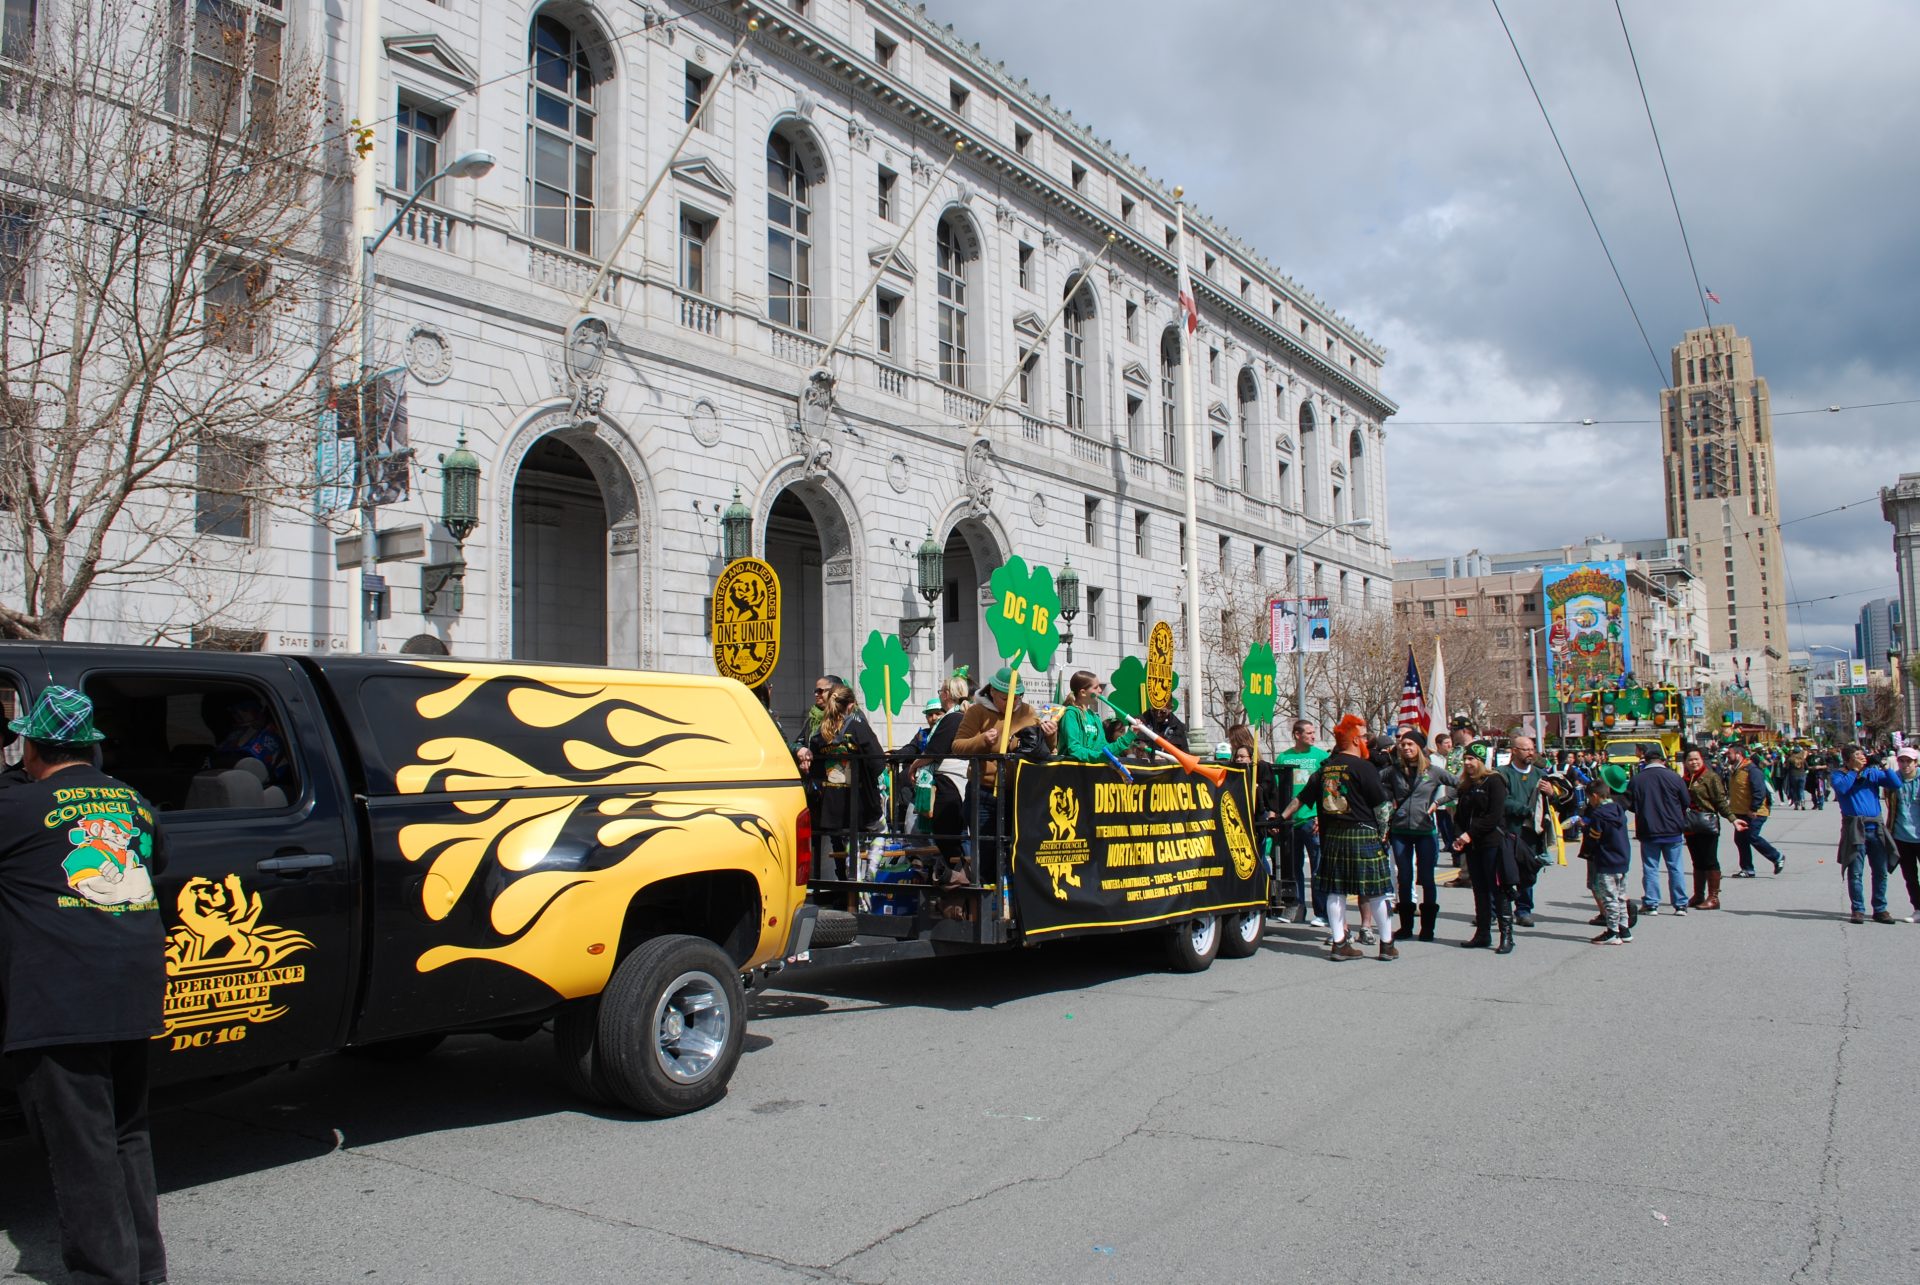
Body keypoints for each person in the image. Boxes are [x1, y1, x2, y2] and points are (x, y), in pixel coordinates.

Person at [0, 686, 169, 1285]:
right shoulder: (135, 803)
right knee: (126, 1133)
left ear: (31, 747)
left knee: (81, 1148)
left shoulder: (17, 808)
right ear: (89, 747)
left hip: (62, 997)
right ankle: (145, 1269)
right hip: (134, 988)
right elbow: (158, 861)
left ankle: (105, 1275)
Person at [1282, 715, 1395, 961]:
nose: (1366, 740)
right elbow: (1382, 806)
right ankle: (1386, 944)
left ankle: (1339, 943)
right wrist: (1384, 834)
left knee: (1336, 891)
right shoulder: (1364, 767)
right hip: (1363, 832)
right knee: (1376, 890)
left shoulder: (1326, 768)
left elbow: (1300, 798)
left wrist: (1281, 818)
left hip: (1332, 835)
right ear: (1355, 740)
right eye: (1364, 736)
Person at [951, 667, 1058, 887]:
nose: (1012, 703)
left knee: (1019, 851)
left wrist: (1050, 735)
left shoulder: (1028, 712)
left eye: (1017, 698)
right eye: (1005, 698)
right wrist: (982, 740)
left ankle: (1013, 906)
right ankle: (988, 907)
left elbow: (1043, 749)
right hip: (984, 792)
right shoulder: (976, 712)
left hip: (1020, 793)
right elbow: (957, 747)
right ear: (992, 692)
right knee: (986, 853)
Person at [1383, 728, 1455, 942]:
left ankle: (1427, 929)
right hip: (1400, 831)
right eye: (1403, 745)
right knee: (1404, 878)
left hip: (1425, 831)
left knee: (1426, 878)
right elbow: (1373, 784)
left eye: (1410, 744)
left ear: (1419, 748)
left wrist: (1439, 802)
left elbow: (1461, 785)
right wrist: (1388, 799)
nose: (1405, 748)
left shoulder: (1433, 771)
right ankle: (1406, 927)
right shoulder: (1393, 770)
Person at [806, 684, 884, 881]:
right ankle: (870, 876)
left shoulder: (819, 735)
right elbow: (878, 762)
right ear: (850, 706)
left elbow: (816, 771)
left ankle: (854, 888)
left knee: (851, 845)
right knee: (882, 829)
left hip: (833, 805)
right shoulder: (858, 728)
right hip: (860, 801)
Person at [1450, 746, 1515, 953]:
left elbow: (1493, 816)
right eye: (1466, 759)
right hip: (1473, 846)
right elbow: (1460, 815)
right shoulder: (1466, 786)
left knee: (1498, 889)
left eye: (1472, 759)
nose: (1468, 763)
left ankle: (1507, 936)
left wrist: (1469, 834)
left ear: (1482, 761)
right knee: (1479, 890)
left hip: (1491, 843)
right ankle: (1482, 933)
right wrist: (1460, 836)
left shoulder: (1494, 781)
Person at [1830, 744, 1899, 924]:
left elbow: (1895, 783)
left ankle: (1880, 908)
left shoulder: (1871, 773)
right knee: (1856, 872)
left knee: (1880, 871)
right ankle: (1858, 909)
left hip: (1875, 827)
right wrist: (1853, 771)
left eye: (1862, 754)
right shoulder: (1839, 775)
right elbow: (1842, 789)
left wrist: (1883, 765)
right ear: (1847, 759)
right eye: (1857, 755)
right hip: (1854, 827)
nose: (1862, 758)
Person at [1276, 718, 1330, 927]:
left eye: (1314, 732)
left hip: (1312, 818)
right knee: (1293, 867)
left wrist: (1321, 815)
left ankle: (1322, 912)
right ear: (1297, 735)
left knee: (1317, 868)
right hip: (1291, 822)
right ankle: (1296, 908)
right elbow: (1278, 789)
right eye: (1309, 733)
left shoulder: (1321, 757)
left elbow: (1328, 789)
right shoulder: (1283, 757)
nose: (1313, 736)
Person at [1626, 744, 1691, 915]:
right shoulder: (1674, 777)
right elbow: (1686, 801)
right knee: (1675, 866)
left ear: (1645, 761)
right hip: (1673, 828)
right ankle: (1680, 904)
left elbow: (1631, 804)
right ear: (1662, 761)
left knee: (1650, 867)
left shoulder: (1637, 779)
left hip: (1648, 828)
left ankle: (1652, 903)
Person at [1575, 770, 1634, 944]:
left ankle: (1612, 931)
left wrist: (1584, 827)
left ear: (1595, 796)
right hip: (1622, 858)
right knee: (1621, 896)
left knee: (1609, 897)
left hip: (1607, 860)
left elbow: (1594, 836)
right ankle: (1624, 928)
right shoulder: (1617, 809)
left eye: (1590, 798)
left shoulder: (1598, 815)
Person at [1497, 735, 1546, 927]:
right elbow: (1503, 800)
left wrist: (1552, 793)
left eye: (1532, 749)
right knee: (1504, 872)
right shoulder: (1502, 774)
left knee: (1527, 872)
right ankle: (1498, 909)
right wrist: (1526, 810)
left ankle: (1524, 909)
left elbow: (1553, 802)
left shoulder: (1540, 774)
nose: (1530, 753)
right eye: (1526, 749)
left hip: (1530, 834)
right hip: (1508, 831)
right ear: (1514, 751)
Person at [1682, 746, 1735, 910]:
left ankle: (1714, 897)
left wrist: (1732, 819)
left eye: (1696, 759)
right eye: (1690, 760)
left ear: (1702, 760)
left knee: (1710, 860)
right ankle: (1698, 895)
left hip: (1707, 823)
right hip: (1690, 825)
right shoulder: (1684, 778)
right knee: (1697, 861)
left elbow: (1719, 801)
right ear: (1685, 762)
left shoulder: (1710, 777)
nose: (1694, 762)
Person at [1726, 743, 1784, 877]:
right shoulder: (1735, 769)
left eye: (1730, 754)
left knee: (1752, 836)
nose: (1727, 756)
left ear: (1738, 755)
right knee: (1740, 840)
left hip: (1756, 812)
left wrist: (1754, 808)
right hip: (1741, 812)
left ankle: (1777, 857)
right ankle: (1747, 869)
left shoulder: (1751, 770)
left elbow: (1759, 790)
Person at [1057, 671, 1135, 764]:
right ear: (1083, 692)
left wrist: (1129, 736)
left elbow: (1103, 748)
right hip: (1072, 772)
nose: (1100, 690)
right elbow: (1075, 750)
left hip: (1091, 773)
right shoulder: (1071, 714)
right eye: (1095, 687)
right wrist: (1100, 757)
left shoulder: (1095, 717)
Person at [1887, 745, 1920, 922]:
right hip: (1901, 835)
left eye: (1909, 761)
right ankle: (1918, 908)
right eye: (1902, 761)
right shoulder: (1894, 780)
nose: (1905, 764)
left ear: (1916, 762)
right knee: (1910, 876)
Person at [1785, 745, 1809, 810]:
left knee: (1795, 790)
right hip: (1802, 775)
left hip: (1793, 776)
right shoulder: (1802, 759)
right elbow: (1807, 768)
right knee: (1801, 790)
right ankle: (1803, 803)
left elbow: (1787, 768)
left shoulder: (1790, 759)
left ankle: (1796, 804)